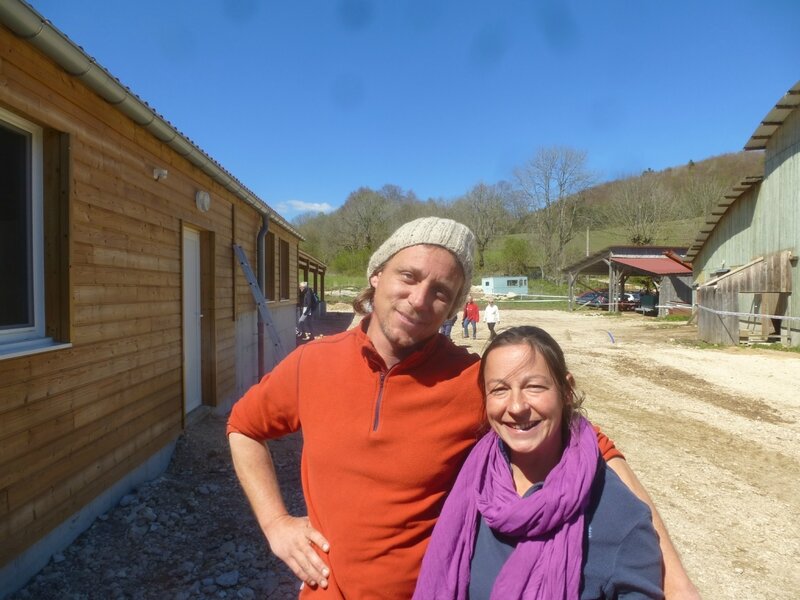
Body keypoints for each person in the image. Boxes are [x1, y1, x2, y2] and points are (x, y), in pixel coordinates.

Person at [227, 217, 699, 599]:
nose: (419, 300)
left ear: (455, 305)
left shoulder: (470, 379)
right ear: (377, 276)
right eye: (408, 277)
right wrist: (276, 524)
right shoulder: (313, 362)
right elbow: (244, 427)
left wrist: (675, 580)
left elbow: (589, 443)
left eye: (441, 291)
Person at [414, 326, 663, 599]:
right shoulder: (469, 483)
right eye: (499, 390)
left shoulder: (619, 517)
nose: (517, 406)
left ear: (566, 390)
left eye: (534, 387)